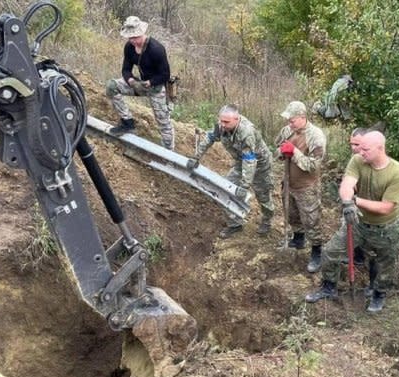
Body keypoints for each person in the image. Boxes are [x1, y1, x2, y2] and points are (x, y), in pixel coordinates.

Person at [305, 128, 399, 312]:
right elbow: (347, 184)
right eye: (360, 148)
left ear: (380, 148)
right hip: (358, 222)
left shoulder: (397, 172)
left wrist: (355, 201)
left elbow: (386, 207)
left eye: (366, 149)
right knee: (330, 251)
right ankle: (328, 287)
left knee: (383, 263)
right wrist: (347, 202)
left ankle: (378, 294)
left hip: (386, 228)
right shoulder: (358, 160)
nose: (360, 152)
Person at [192, 105, 274, 238]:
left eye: (226, 122)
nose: (222, 125)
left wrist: (244, 186)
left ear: (237, 119)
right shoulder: (221, 126)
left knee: (263, 195)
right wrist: (196, 156)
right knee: (225, 189)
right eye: (221, 121)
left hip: (260, 165)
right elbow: (210, 138)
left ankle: (267, 220)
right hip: (241, 163)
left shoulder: (246, 132)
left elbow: (250, 160)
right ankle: (235, 224)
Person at [105, 16, 174, 150]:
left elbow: (165, 74)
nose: (133, 41)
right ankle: (127, 123)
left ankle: (169, 152)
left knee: (163, 122)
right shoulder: (129, 47)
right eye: (130, 38)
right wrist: (131, 81)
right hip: (139, 84)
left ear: (142, 33)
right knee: (112, 86)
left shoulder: (156, 49)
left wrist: (150, 82)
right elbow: (126, 69)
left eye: (136, 37)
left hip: (156, 87)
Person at [275, 101, 327, 273]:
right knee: (292, 214)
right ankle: (298, 239)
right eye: (288, 120)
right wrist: (282, 152)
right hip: (289, 183)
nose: (289, 123)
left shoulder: (315, 136)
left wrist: (295, 153)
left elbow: (314, 166)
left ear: (303, 118)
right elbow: (277, 149)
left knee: (312, 220)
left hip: (307, 186)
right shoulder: (287, 131)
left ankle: (316, 252)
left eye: (292, 120)